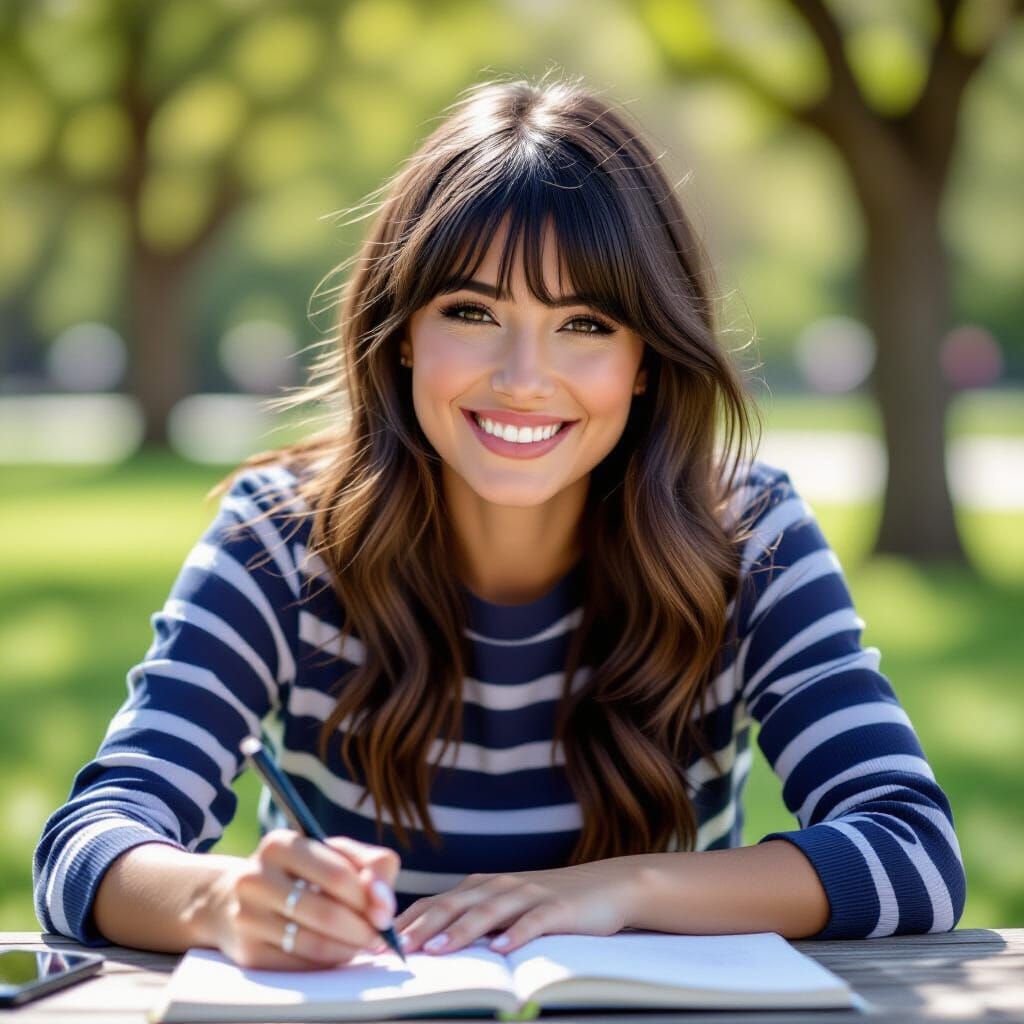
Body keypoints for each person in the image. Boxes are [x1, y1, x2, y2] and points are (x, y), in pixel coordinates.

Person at [34, 75, 965, 971]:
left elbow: (912, 852)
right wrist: (228, 903)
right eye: (473, 311)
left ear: (647, 358)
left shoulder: (750, 533)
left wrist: (621, 891)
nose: (523, 376)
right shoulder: (280, 539)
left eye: (585, 324)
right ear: (402, 332)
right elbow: (88, 845)